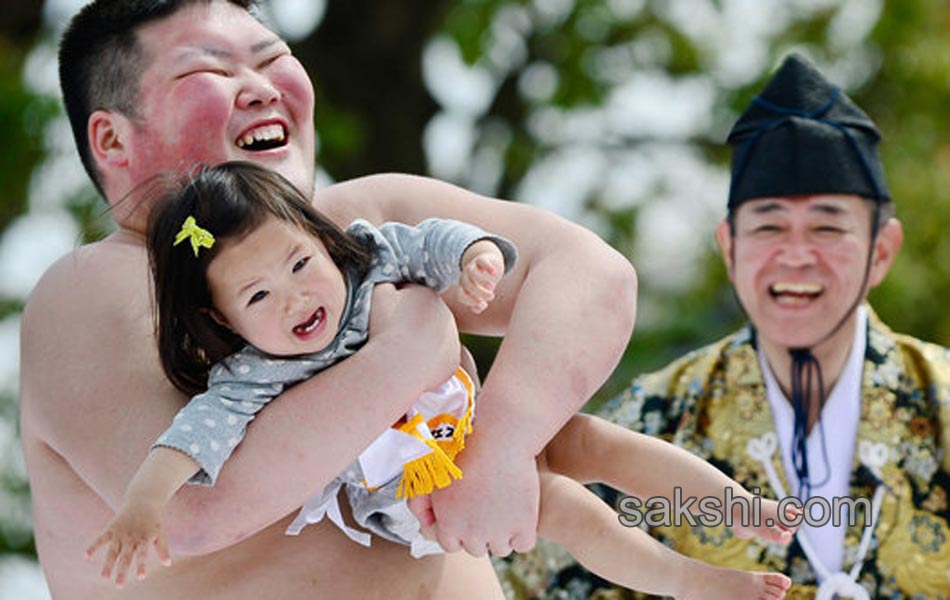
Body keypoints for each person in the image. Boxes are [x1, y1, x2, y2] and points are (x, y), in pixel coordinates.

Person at [19, 1, 639, 598]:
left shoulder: (366, 225)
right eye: (208, 72)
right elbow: (190, 511)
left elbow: (592, 276)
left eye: (271, 60)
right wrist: (413, 347)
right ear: (113, 139)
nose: (260, 88)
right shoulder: (91, 285)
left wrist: (500, 450)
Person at [85, 162, 796, 599]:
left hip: (469, 419)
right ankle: (694, 583)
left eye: (300, 266)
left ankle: (739, 510)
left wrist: (475, 257)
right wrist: (142, 506)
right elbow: (191, 436)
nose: (298, 298)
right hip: (417, 489)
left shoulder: (367, 258)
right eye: (260, 297)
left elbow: (434, 239)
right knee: (571, 511)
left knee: (589, 438)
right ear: (226, 319)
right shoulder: (252, 373)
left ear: (321, 240)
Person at [501, 53, 950, 600]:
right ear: (729, 248)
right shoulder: (654, 417)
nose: (796, 255)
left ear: (882, 250)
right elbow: (530, 581)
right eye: (769, 227)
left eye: (828, 227)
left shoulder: (943, 402)